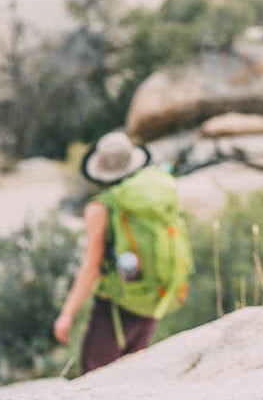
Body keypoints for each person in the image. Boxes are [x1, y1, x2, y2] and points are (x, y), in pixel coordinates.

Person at [53, 131, 193, 375]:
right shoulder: (156, 194)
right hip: (152, 299)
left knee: (92, 377)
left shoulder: (102, 207)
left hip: (116, 306)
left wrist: (67, 315)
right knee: (131, 377)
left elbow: (91, 266)